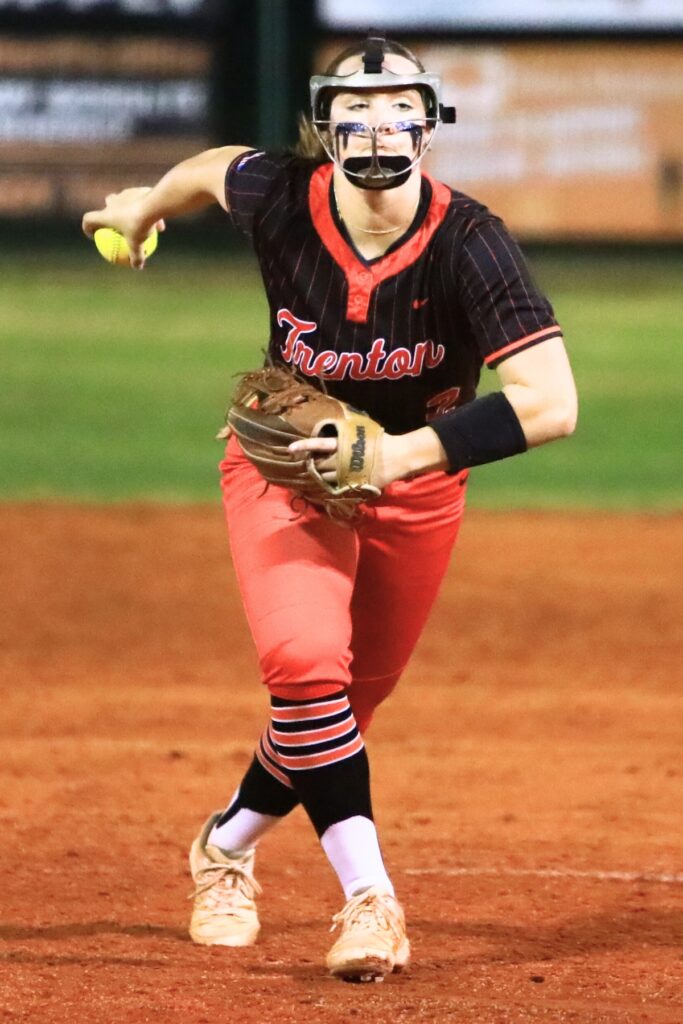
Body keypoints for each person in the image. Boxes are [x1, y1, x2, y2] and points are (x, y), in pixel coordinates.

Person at [82, 32, 577, 983]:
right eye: (355, 108)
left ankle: (224, 844)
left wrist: (396, 456)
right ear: (322, 126)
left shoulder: (470, 242)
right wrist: (147, 204)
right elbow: (215, 168)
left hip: (415, 482)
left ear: (432, 124)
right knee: (305, 662)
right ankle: (369, 899)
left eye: (400, 108)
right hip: (288, 469)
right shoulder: (283, 196)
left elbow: (550, 403)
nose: (378, 125)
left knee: (344, 703)